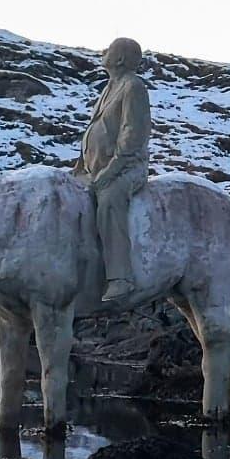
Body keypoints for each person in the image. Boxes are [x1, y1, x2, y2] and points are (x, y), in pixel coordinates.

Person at [74, 36, 152, 305]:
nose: (103, 51)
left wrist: (111, 171)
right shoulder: (110, 86)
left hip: (126, 168)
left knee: (109, 200)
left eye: (109, 49)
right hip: (95, 169)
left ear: (119, 59)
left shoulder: (133, 87)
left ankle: (120, 277)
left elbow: (132, 135)